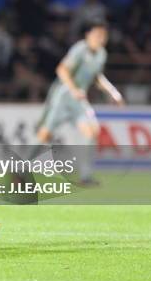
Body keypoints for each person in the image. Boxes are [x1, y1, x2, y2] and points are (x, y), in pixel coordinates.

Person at [36, 19, 125, 185]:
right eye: (97, 35)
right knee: (44, 135)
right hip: (64, 97)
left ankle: (85, 176)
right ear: (88, 35)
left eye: (103, 36)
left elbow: (96, 77)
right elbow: (61, 69)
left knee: (92, 131)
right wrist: (73, 89)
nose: (100, 39)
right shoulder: (80, 49)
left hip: (79, 100)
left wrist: (112, 92)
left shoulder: (101, 54)